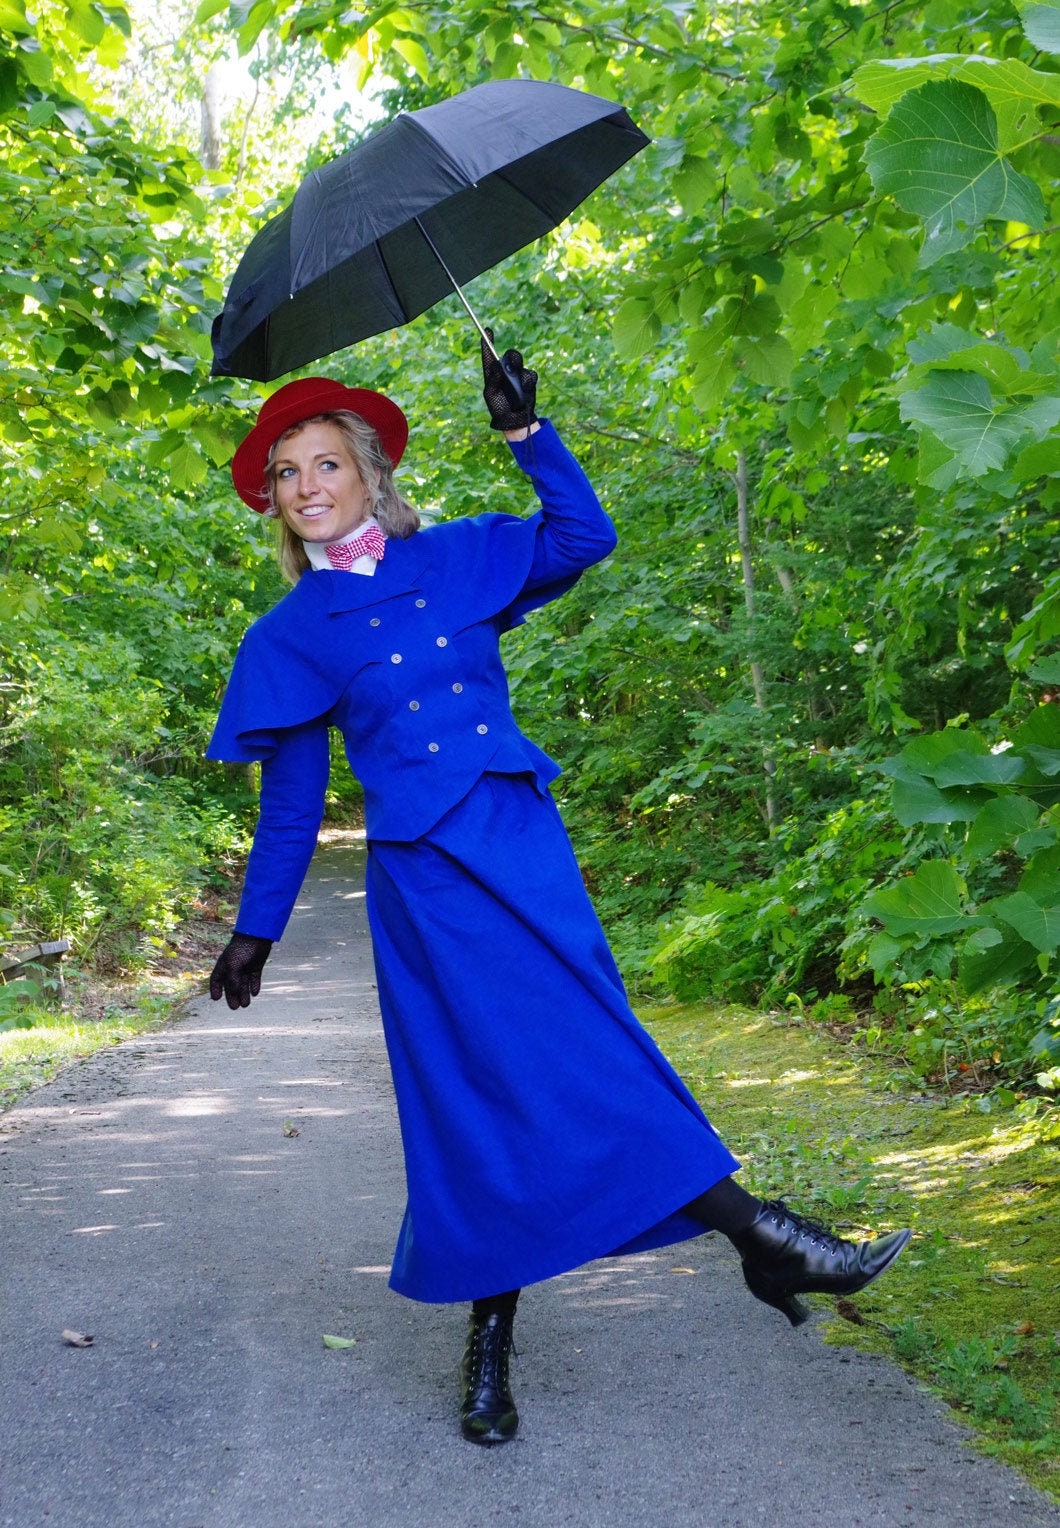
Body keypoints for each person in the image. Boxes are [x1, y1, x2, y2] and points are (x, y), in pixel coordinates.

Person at [207, 341, 911, 1446]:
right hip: (428, 884)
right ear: (273, 501)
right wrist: (256, 932)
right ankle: (728, 1249)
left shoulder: (461, 558)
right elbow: (293, 801)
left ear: (369, 472)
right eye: (284, 473)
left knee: (588, 1052)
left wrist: (526, 435)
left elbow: (585, 536)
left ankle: (756, 1240)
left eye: (323, 463)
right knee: (479, 1102)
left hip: (522, 843)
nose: (304, 486)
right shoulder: (287, 637)